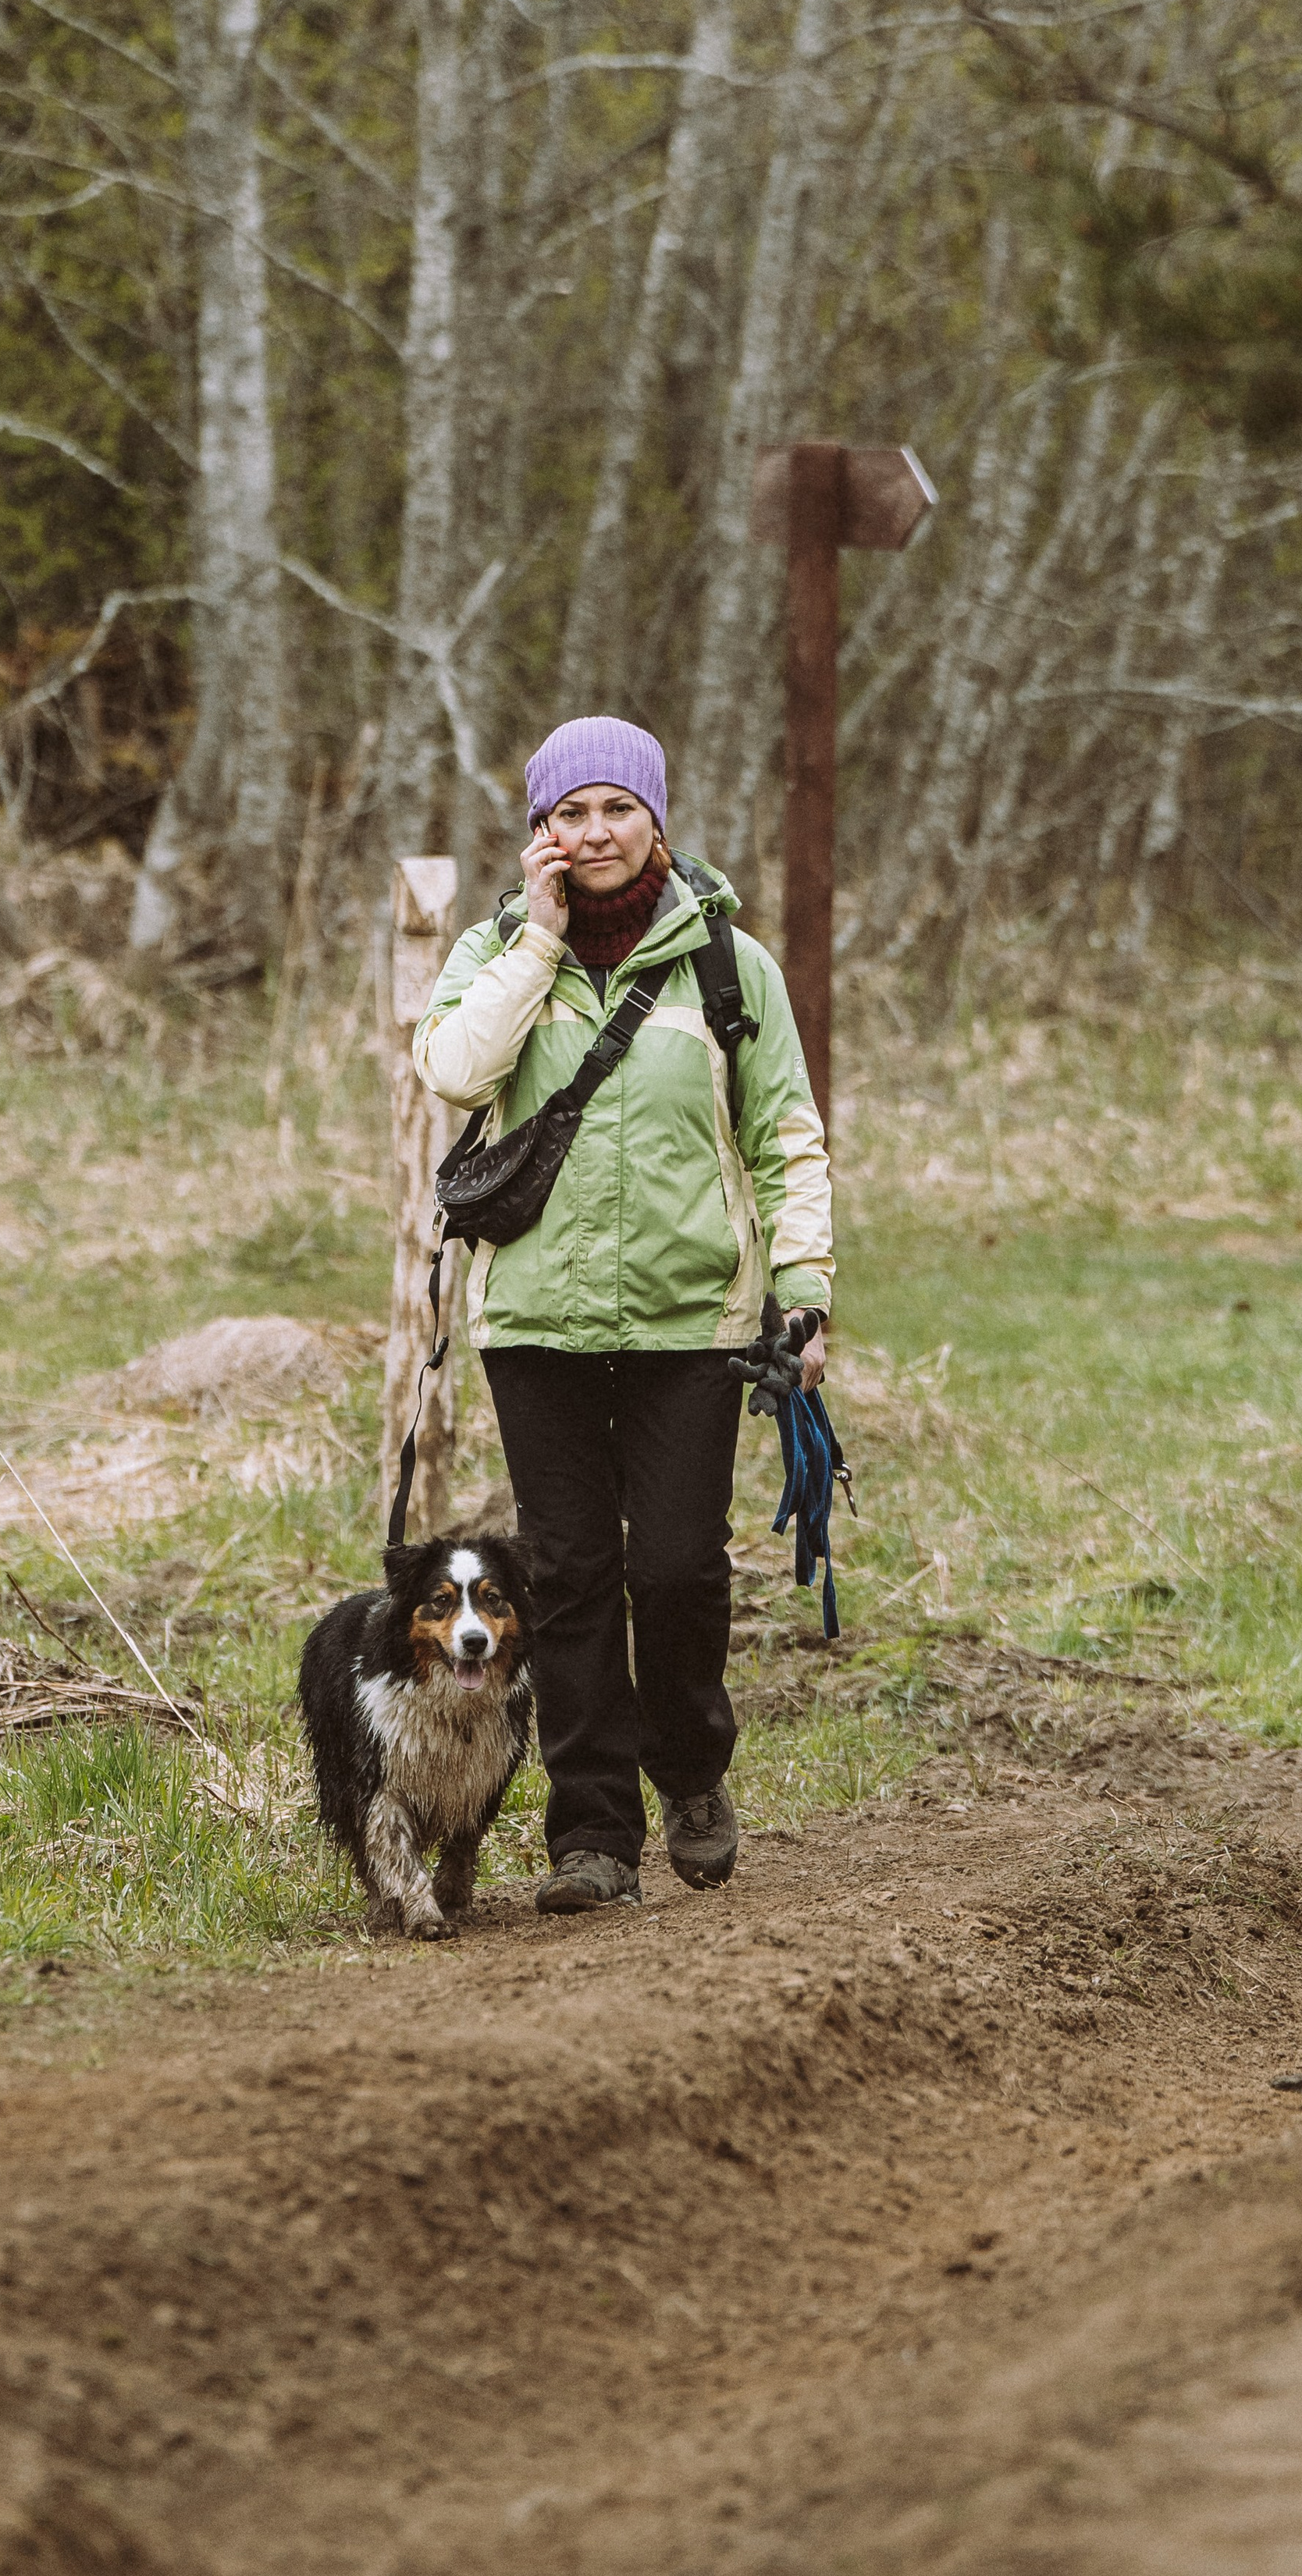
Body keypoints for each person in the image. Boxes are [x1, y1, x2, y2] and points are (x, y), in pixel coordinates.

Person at [414, 714, 833, 1913]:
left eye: (615, 808)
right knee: (574, 1577)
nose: (593, 832)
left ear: (656, 819)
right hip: (536, 1321)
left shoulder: (729, 966)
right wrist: (538, 944)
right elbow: (452, 1069)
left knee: (682, 1568)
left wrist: (802, 1291)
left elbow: (786, 1136)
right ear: (541, 832)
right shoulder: (498, 953)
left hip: (692, 1317)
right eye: (568, 813)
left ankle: (693, 1768)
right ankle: (590, 1835)